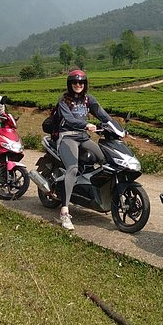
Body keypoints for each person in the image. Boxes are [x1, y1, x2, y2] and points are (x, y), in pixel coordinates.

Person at [55, 70, 112, 230]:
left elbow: (103, 115)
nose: (78, 85)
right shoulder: (64, 100)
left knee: (106, 160)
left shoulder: (88, 99)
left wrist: (118, 128)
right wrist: (85, 124)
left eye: (81, 82)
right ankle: (65, 212)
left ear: (85, 84)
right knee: (72, 169)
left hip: (83, 137)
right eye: (75, 82)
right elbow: (69, 119)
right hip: (67, 137)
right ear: (70, 84)